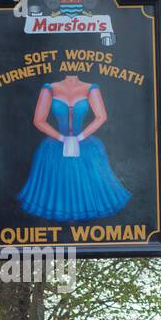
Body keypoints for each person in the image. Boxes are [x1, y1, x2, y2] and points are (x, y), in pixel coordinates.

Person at [17, 74, 131, 221]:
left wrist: (80, 138)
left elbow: (101, 117)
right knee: (57, 187)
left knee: (89, 183)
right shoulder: (49, 89)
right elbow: (38, 120)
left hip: (84, 143)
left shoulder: (91, 88)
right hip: (55, 145)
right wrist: (62, 138)